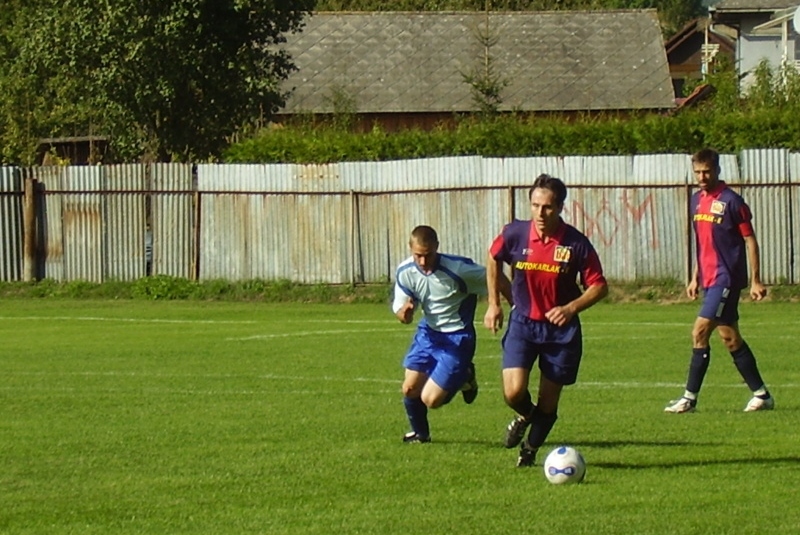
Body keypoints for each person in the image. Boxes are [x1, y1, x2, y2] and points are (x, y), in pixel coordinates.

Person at [484, 174, 608, 467]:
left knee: (549, 401)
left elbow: (599, 286)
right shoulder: (515, 233)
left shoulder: (575, 243)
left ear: (561, 207)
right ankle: (525, 415)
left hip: (560, 332)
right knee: (513, 392)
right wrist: (494, 303)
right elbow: (493, 257)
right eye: (535, 205)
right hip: (524, 324)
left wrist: (570, 308)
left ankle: (529, 450)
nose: (540, 213)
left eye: (548, 207)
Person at [664, 148, 774, 414]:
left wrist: (756, 280)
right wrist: (694, 277)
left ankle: (689, 398)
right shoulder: (695, 201)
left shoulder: (731, 201)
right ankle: (762, 395)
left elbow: (750, 239)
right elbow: (702, 243)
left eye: (706, 171)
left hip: (727, 278)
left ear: (717, 170)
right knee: (730, 338)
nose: (702, 176)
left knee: (700, 331)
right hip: (709, 279)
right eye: (698, 172)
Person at [393, 225, 511, 443]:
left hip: (457, 338)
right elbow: (402, 315)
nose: (422, 261)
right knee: (409, 388)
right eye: (418, 255)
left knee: (431, 399)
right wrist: (405, 314)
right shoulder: (405, 272)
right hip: (427, 334)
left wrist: (508, 308)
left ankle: (466, 375)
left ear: (437, 247)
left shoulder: (459, 270)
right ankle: (421, 434)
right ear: (410, 249)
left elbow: (496, 278)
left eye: (428, 255)